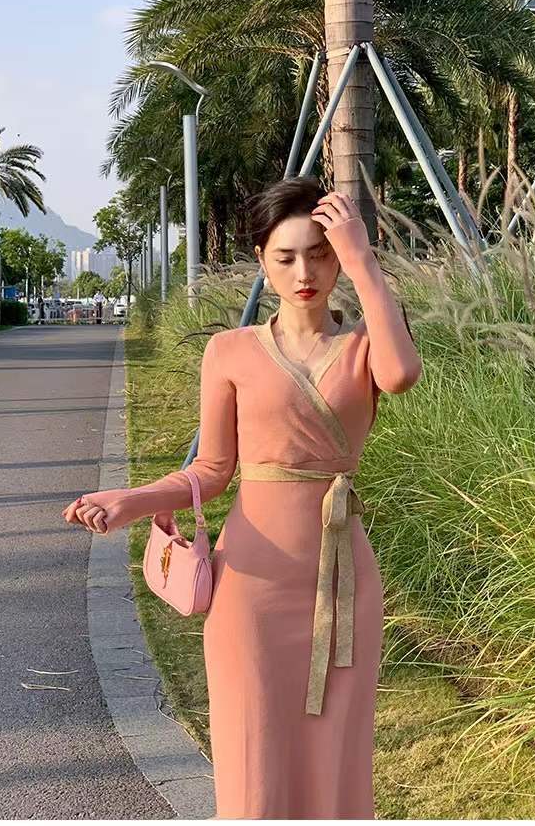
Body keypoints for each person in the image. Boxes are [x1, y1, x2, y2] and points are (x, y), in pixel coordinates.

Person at [62, 179, 422, 818]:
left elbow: (400, 376)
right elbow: (212, 469)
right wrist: (132, 501)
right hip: (250, 588)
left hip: (342, 585)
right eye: (286, 257)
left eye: (321, 254)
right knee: (253, 758)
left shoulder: (367, 345)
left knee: (338, 758)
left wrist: (363, 256)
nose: (305, 272)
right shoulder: (229, 352)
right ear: (261, 260)